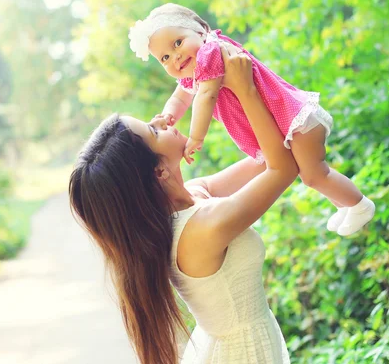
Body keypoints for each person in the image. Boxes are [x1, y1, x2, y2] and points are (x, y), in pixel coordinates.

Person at [69, 43, 293, 363]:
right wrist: (246, 91)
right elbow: (283, 168)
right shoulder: (202, 229)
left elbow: (262, 158)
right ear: (158, 170)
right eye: (153, 129)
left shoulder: (194, 198)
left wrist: (221, 86)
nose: (162, 120)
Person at [129, 3, 375, 236]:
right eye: (165, 58)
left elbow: (206, 95)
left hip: (293, 121)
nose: (175, 57)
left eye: (178, 43)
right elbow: (181, 97)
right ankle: (344, 205)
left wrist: (196, 137)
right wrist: (168, 114)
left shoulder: (210, 53)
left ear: (201, 31)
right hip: (283, 124)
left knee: (313, 174)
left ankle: (359, 205)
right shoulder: (194, 69)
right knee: (308, 174)